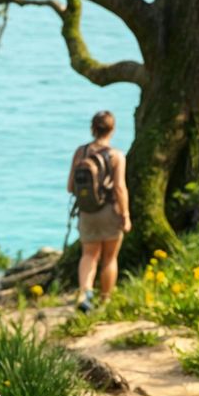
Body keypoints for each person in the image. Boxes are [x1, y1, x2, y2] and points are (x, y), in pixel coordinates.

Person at [68, 110, 130, 312]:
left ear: (92, 129)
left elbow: (70, 186)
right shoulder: (116, 156)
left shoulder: (81, 152)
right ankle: (105, 301)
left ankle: (85, 293)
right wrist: (125, 215)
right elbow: (120, 188)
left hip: (86, 211)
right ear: (112, 129)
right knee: (109, 258)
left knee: (89, 255)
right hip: (109, 211)